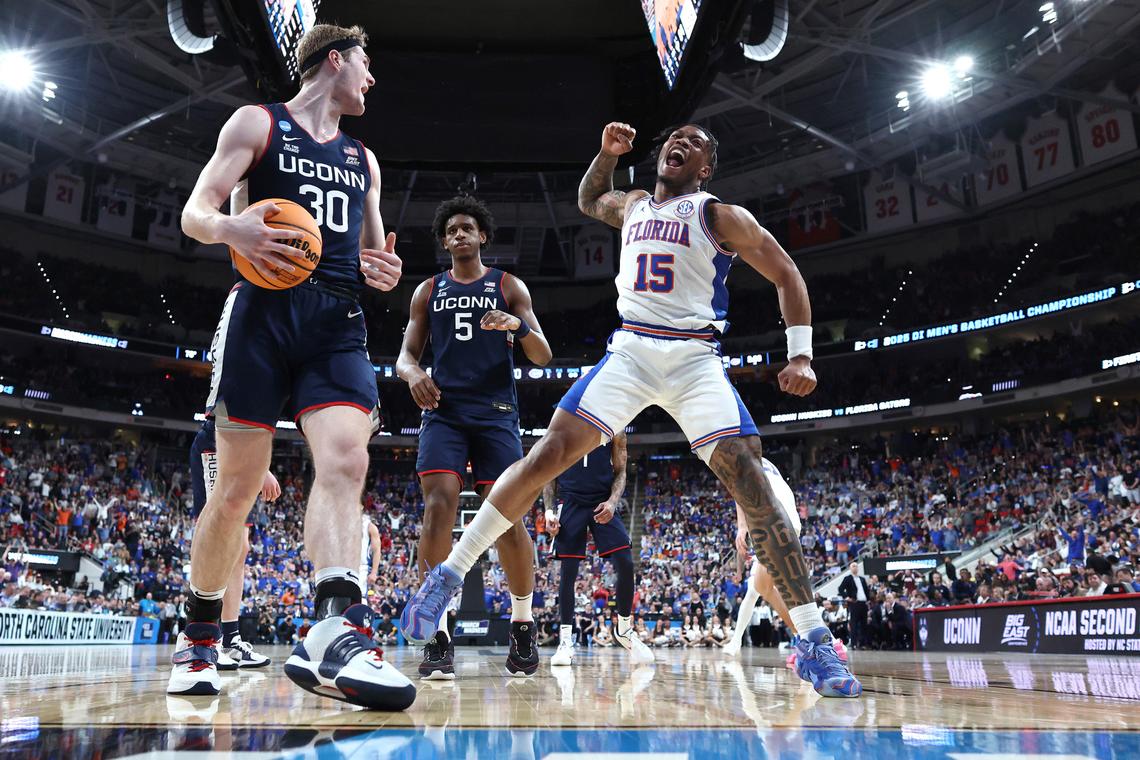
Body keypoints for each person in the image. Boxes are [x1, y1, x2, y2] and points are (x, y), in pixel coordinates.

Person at [401, 122, 861, 698]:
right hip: (632, 350)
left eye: (695, 143)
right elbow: (590, 198)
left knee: (753, 484)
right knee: (548, 454)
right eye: (676, 138)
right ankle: (449, 575)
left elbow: (787, 272)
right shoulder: (636, 203)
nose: (681, 143)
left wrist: (801, 355)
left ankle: (814, 640)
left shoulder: (720, 216)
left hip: (696, 359)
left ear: (705, 169)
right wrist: (605, 154)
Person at [171, 22, 414, 711]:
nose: (372, 80)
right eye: (366, 65)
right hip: (262, 315)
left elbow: (372, 257)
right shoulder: (258, 123)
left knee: (347, 463)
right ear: (334, 60)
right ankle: (199, 636)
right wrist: (230, 228)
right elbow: (195, 211)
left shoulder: (363, 160)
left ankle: (336, 628)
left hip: (336, 320)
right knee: (236, 494)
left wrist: (384, 269)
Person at [396, 195, 552, 680]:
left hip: (497, 414)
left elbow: (543, 355)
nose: (460, 235)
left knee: (506, 520)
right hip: (444, 412)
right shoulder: (428, 290)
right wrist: (413, 374)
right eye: (451, 231)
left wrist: (517, 325)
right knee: (438, 506)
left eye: (468, 228)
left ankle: (523, 628)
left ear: (483, 236)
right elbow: (404, 355)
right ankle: (437, 635)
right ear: (444, 241)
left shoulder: (508, 286)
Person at [723, 459, 846, 665]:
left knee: (768, 588)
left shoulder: (733, 454)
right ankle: (809, 640)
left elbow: (738, 490)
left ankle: (825, 643)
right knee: (762, 587)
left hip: (773, 520)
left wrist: (742, 525)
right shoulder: (759, 457)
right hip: (786, 518)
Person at [544, 433, 653, 667]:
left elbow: (621, 471)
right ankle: (565, 642)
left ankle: (624, 629)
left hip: (602, 501)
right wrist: (549, 511)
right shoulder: (566, 421)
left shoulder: (614, 427)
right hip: (570, 501)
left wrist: (613, 502)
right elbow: (549, 472)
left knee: (625, 561)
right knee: (568, 570)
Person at [188, 417, 276, 670]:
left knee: (240, 549)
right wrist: (261, 469)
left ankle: (230, 639)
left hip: (243, 447)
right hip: (220, 441)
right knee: (218, 538)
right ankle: (205, 636)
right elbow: (228, 409)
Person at [838, 561, 871, 649]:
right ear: (850, 568)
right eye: (853, 566)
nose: (855, 568)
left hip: (863, 603)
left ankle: (863, 644)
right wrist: (847, 598)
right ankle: (854, 644)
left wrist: (868, 600)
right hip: (854, 603)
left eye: (856, 566)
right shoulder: (847, 578)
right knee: (854, 624)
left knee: (864, 624)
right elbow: (840, 589)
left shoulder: (862, 579)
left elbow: (866, 591)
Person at [361, 511, 382, 597]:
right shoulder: (340, 522)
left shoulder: (369, 526)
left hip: (360, 568)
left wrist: (374, 572)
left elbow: (377, 550)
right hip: (341, 567)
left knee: (359, 600)